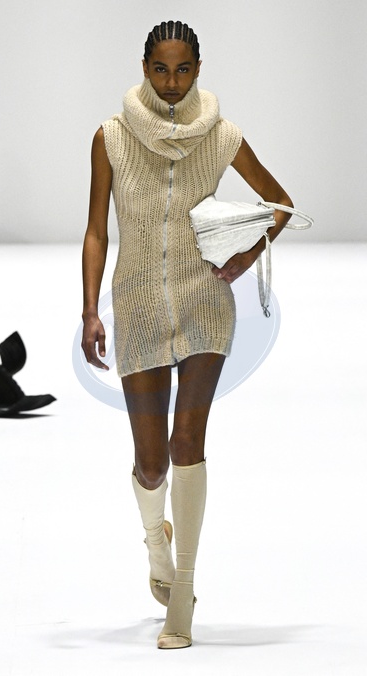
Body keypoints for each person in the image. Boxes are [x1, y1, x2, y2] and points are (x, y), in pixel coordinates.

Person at [81, 20, 293, 649]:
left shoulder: (222, 136)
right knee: (150, 464)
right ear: (144, 67)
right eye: (160, 69)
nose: (172, 83)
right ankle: (158, 545)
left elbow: (280, 204)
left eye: (182, 70)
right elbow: (96, 230)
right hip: (138, 306)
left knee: (186, 441)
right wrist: (90, 310)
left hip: (204, 306)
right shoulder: (111, 138)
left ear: (199, 68)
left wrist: (245, 258)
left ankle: (184, 593)